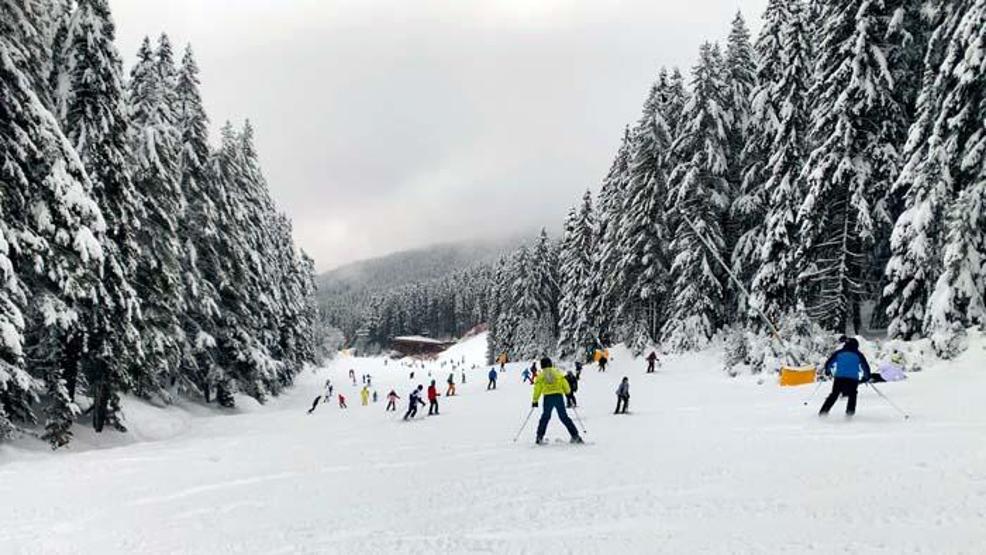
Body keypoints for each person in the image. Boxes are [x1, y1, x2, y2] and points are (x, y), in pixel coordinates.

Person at [532, 357, 583, 444]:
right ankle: (575, 436)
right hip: (558, 397)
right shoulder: (557, 372)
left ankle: (539, 437)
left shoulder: (541, 375)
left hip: (548, 398)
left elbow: (537, 388)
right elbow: (564, 383)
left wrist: (535, 400)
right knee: (564, 417)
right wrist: (568, 393)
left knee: (545, 417)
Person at [819, 337, 871, 417]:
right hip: (853, 378)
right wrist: (866, 377)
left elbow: (829, 363)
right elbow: (865, 366)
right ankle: (850, 413)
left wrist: (828, 371)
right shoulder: (858, 354)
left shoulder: (839, 353)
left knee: (834, 394)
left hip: (839, 377)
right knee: (852, 394)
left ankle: (823, 412)